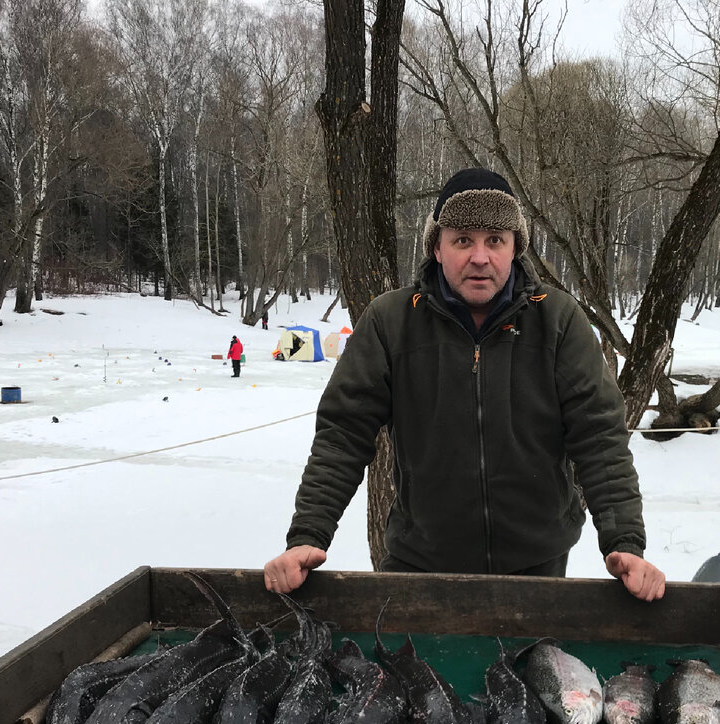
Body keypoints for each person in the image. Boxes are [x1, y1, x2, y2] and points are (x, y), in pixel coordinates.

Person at [263, 167, 665, 602]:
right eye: (462, 240)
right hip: (419, 563)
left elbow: (599, 436)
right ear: (437, 248)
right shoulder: (389, 322)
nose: (480, 256)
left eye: (495, 239)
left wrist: (625, 541)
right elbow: (343, 435)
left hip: (536, 564)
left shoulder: (559, 320)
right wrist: (308, 534)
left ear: (516, 248)